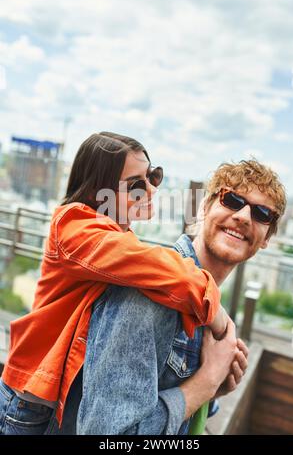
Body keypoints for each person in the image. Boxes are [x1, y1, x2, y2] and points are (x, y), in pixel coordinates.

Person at [0, 132, 229, 436]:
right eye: (136, 184)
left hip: (61, 405)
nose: (150, 189)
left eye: (153, 176)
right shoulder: (74, 227)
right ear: (99, 190)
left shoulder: (119, 239)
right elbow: (167, 271)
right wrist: (221, 320)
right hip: (29, 406)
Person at [68, 159, 285, 435]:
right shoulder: (151, 293)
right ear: (204, 208)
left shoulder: (211, 309)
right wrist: (206, 381)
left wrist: (213, 392)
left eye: (262, 213)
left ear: (267, 237)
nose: (243, 216)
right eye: (231, 200)